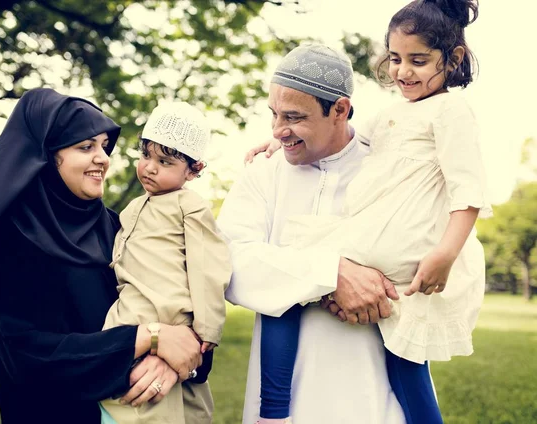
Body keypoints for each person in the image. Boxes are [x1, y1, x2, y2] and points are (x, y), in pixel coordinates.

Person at [241, 1, 491, 423]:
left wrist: (446, 255)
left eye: (418, 60)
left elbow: (469, 192)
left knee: (291, 272)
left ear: (454, 59)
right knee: (404, 357)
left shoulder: (452, 112)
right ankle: (280, 405)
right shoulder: (392, 114)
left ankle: (273, 410)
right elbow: (350, 140)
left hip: (406, 244)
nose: (402, 71)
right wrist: (282, 139)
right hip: (380, 241)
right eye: (395, 58)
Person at [0, 88, 206, 424]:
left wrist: (170, 361)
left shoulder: (117, 227)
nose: (103, 158)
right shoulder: (9, 239)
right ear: (46, 155)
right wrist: (147, 339)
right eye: (86, 146)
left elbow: (181, 304)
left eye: (104, 146)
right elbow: (26, 356)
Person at [217, 44, 407, 424]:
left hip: (373, 386)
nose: (277, 130)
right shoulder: (263, 171)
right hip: (279, 400)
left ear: (339, 109)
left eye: (293, 117)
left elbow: (427, 259)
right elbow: (226, 260)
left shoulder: (391, 167)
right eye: (273, 114)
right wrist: (330, 274)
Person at [100, 101, 231, 424]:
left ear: (194, 170)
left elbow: (208, 269)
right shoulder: (131, 209)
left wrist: (205, 333)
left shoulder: (190, 206)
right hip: (129, 317)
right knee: (127, 396)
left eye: (165, 161)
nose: (150, 168)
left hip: (172, 317)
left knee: (182, 403)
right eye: (145, 155)